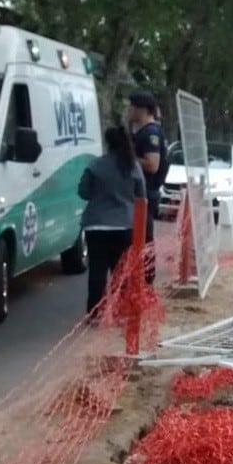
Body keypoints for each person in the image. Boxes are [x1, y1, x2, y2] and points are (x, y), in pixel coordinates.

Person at [78, 126, 146, 316]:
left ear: (108, 143)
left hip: (96, 225)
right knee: (121, 273)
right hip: (124, 225)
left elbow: (83, 192)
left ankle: (94, 314)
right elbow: (142, 195)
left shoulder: (95, 165)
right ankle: (120, 311)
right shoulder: (133, 166)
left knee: (97, 272)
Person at [127, 89, 168, 284]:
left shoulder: (150, 133)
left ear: (142, 109)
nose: (129, 110)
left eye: (132, 106)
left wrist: (129, 159)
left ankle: (145, 280)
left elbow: (152, 164)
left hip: (145, 195)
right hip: (142, 194)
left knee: (143, 239)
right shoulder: (145, 132)